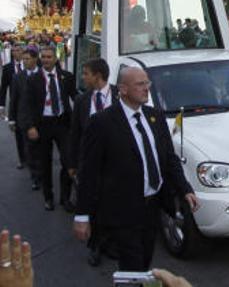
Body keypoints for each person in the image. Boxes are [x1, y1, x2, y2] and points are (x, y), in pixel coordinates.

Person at [73, 66, 198, 271]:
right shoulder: (102, 123)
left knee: (145, 259)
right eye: (140, 84)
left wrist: (185, 189)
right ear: (122, 89)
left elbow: (168, 158)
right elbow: (89, 173)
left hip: (152, 207)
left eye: (147, 83)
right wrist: (82, 216)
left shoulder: (155, 117)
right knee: (133, 265)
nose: (146, 88)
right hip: (123, 210)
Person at [68, 57, 118, 267]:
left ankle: (113, 243)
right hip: (91, 165)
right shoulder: (82, 101)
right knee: (94, 207)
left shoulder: (120, 95)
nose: (83, 77)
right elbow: (75, 135)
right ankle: (95, 245)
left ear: (98, 76)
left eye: (86, 73)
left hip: (117, 163)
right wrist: (72, 164)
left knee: (115, 206)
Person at [19, 46, 76, 211]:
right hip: (42, 125)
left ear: (55, 58)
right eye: (43, 57)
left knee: (67, 161)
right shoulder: (33, 79)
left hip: (62, 123)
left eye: (49, 57)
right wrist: (30, 126)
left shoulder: (67, 77)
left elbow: (76, 99)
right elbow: (27, 105)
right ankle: (48, 197)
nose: (45, 60)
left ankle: (65, 198)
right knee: (45, 162)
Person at [7, 48, 40, 190]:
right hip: (25, 119)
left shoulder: (43, 74)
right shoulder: (18, 77)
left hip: (43, 119)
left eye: (27, 59)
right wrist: (12, 119)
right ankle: (35, 177)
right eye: (23, 59)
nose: (24, 61)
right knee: (30, 149)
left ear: (34, 59)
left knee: (42, 149)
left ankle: (42, 172)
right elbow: (14, 99)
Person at [1, 44, 27, 169]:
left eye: (19, 50)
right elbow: (3, 88)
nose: (16, 53)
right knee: (18, 133)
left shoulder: (30, 65)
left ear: (23, 52)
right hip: (15, 105)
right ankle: (22, 159)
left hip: (30, 104)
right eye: (14, 51)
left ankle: (32, 158)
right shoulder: (7, 68)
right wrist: (1, 106)